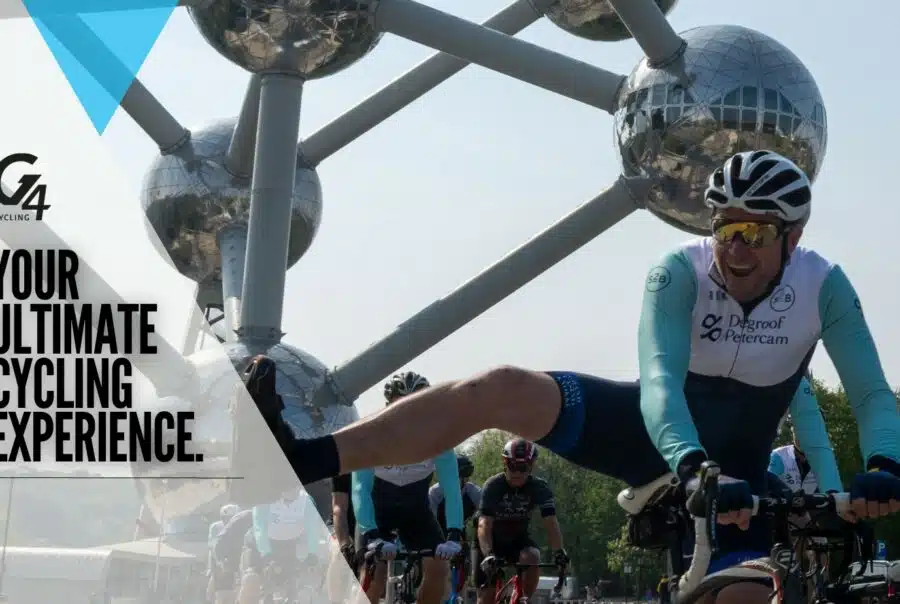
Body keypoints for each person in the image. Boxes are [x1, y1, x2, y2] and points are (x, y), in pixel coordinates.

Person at [246, 151, 900, 604]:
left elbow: (872, 394)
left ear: (793, 236)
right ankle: (302, 454)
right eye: (726, 227)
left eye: (754, 233)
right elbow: (660, 385)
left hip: (740, 473)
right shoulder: (679, 272)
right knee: (502, 387)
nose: (734, 248)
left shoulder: (824, 287)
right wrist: (692, 466)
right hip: (654, 434)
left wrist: (884, 466)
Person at [353, 371, 466, 604]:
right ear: (389, 406)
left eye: (416, 405)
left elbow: (452, 489)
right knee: (375, 576)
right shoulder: (370, 435)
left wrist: (454, 534)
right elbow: (360, 489)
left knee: (439, 570)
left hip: (416, 513)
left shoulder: (439, 439)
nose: (408, 413)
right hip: (377, 515)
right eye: (401, 405)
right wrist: (371, 534)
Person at [476, 438, 567, 604]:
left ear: (531, 466)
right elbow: (484, 524)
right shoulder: (493, 486)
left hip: (518, 539)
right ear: (505, 463)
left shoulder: (539, 487)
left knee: (532, 556)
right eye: (513, 466)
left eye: (523, 467)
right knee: (486, 597)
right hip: (490, 541)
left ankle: (523, 599)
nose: (517, 473)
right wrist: (488, 554)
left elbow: (551, 522)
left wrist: (559, 552)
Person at [237, 486, 320, 604]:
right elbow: (260, 528)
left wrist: (312, 553)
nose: (292, 490)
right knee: (251, 579)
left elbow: (312, 529)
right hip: (259, 544)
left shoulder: (306, 501)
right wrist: (266, 554)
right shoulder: (265, 498)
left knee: (294, 585)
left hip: (289, 545)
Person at [429, 453, 482, 601]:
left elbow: (486, 511)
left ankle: (460, 595)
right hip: (437, 531)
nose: (459, 481)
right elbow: (430, 520)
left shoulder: (472, 491)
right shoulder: (435, 492)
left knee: (462, 572)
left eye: (463, 477)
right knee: (439, 572)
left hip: (459, 532)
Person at [213, 506, 254, 604]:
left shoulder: (246, 518)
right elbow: (218, 543)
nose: (226, 521)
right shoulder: (218, 527)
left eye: (229, 518)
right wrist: (221, 562)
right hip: (234, 559)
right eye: (224, 518)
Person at [207, 503, 239, 603]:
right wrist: (219, 562)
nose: (228, 520)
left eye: (231, 518)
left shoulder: (241, 526)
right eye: (225, 518)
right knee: (217, 589)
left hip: (235, 561)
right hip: (219, 561)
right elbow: (213, 545)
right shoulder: (216, 527)